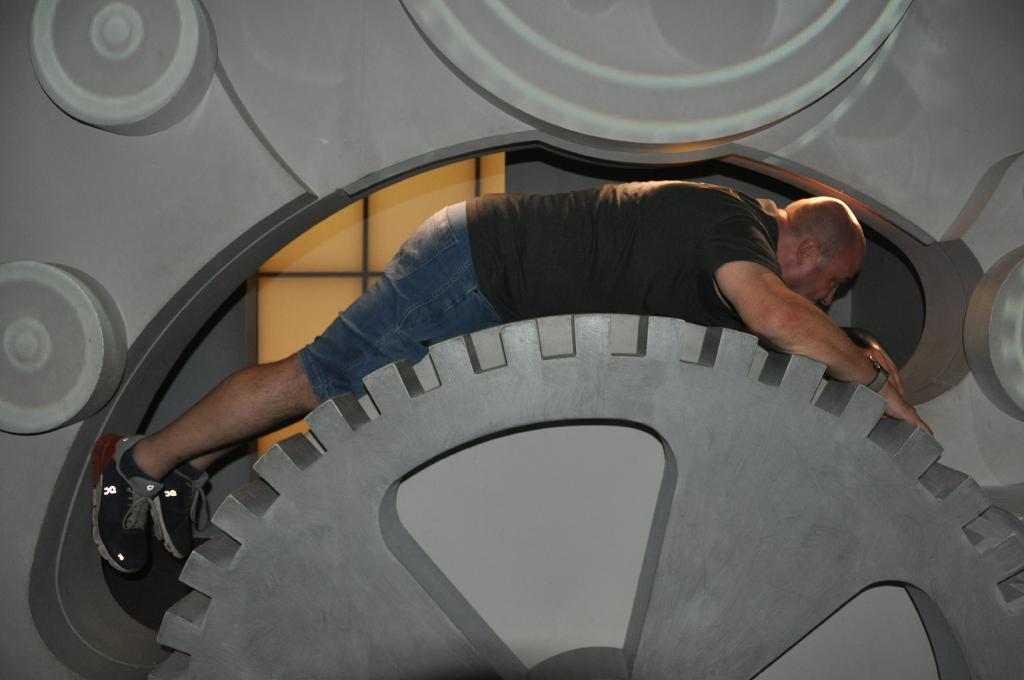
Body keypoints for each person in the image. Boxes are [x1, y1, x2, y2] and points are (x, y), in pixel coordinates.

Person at [91, 180, 929, 573]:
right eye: (831, 286)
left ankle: (187, 470)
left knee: (339, 386)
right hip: (475, 267)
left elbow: (777, 343)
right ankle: (138, 464)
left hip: (484, 275)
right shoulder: (732, 225)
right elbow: (780, 318)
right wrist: (873, 381)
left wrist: (854, 355)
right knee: (322, 377)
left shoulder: (730, 238)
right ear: (806, 248)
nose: (825, 300)